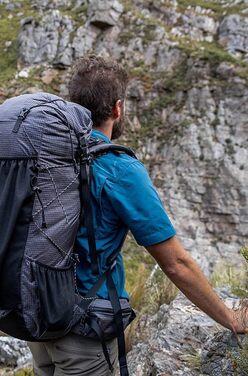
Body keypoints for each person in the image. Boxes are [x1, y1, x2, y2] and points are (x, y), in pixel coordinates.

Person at [27, 55, 247, 375]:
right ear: (117, 108)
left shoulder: (47, 153)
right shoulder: (119, 169)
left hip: (38, 317)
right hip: (83, 331)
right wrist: (230, 317)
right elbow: (176, 263)